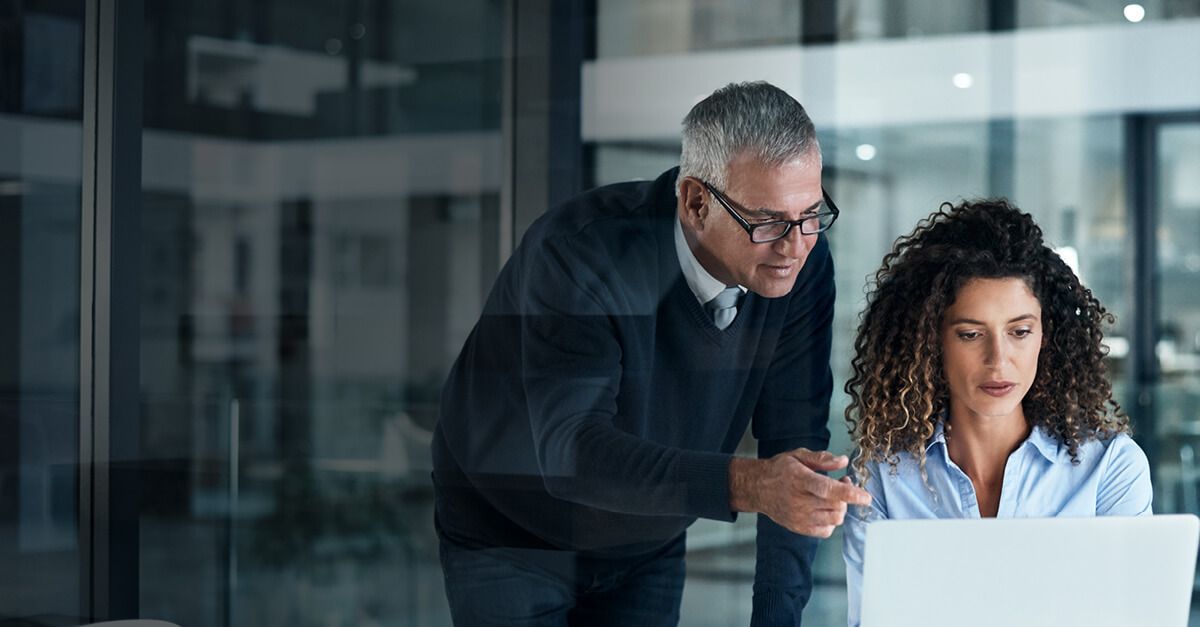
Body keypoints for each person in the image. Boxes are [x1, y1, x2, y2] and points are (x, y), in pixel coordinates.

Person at [431, 81, 871, 626]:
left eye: (811, 215)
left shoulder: (799, 261)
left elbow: (795, 444)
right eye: (768, 221)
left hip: (649, 534)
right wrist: (752, 484)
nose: (795, 245)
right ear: (695, 200)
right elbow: (571, 453)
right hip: (511, 532)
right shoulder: (582, 253)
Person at [840, 199, 1153, 627]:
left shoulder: (1110, 469)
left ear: (1046, 335)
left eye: (1020, 332)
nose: (998, 360)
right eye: (970, 334)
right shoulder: (881, 477)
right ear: (932, 341)